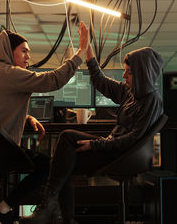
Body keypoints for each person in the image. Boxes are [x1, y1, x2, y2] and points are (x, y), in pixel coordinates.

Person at [20, 44, 164, 224]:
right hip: (113, 148)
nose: (124, 76)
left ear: (143, 73)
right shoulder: (130, 92)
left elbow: (133, 139)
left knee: (66, 140)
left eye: (129, 72)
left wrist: (96, 144)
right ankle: (60, 216)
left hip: (122, 155)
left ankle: (50, 210)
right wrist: (86, 48)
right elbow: (99, 80)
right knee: (61, 163)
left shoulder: (151, 100)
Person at [0, 21, 89, 224]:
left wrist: (26, 117)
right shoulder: (11, 73)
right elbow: (53, 80)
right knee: (48, 166)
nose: (28, 56)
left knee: (4, 166)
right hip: (0, 152)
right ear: (9, 50)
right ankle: (4, 209)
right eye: (24, 51)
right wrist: (80, 53)